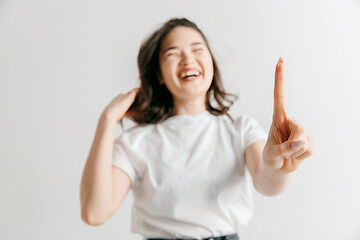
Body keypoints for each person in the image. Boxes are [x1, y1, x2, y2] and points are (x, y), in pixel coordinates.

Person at [80, 18, 314, 240]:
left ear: (211, 63)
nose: (187, 59)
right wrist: (107, 119)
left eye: (197, 49)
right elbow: (94, 212)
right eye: (172, 53)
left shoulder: (240, 131)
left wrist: (279, 167)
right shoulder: (135, 141)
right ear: (159, 74)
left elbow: (268, 184)